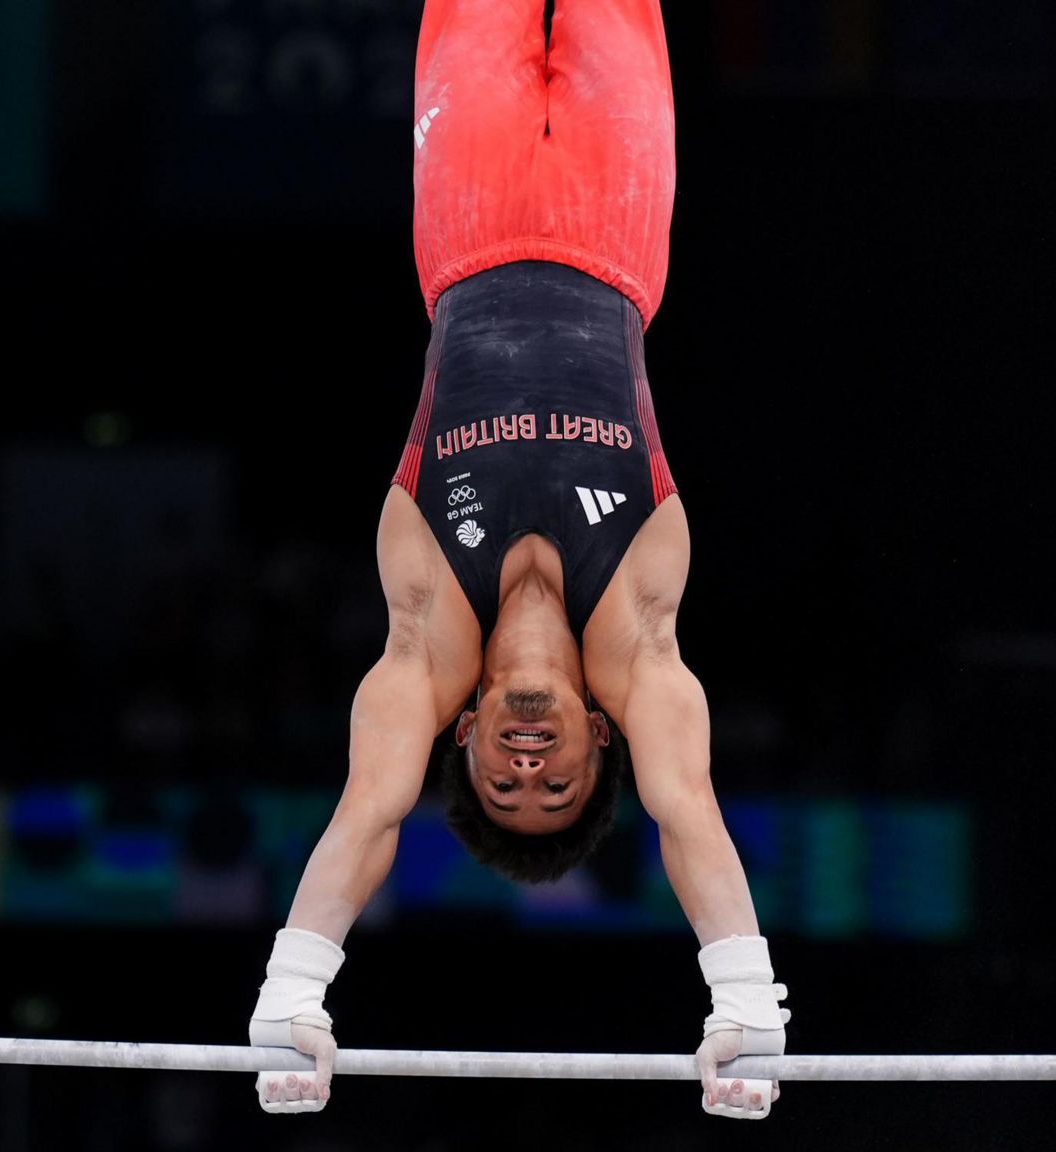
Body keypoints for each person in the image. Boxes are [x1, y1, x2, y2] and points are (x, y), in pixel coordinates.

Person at [246, 0, 790, 1119]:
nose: (529, 765)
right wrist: (744, 1002)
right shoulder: (634, 640)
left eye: (503, 783)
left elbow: (367, 811)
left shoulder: (426, 632)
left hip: (466, 224)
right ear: (602, 739)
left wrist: (292, 987)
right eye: (558, 785)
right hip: (615, 228)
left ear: (465, 734)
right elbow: (685, 805)